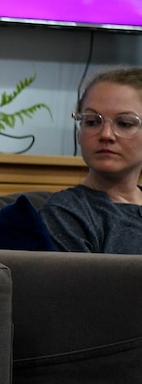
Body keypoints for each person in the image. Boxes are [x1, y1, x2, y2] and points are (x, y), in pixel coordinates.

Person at [40, 68, 142, 253]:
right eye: (92, 122)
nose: (106, 135)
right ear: (79, 133)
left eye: (125, 123)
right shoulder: (66, 213)